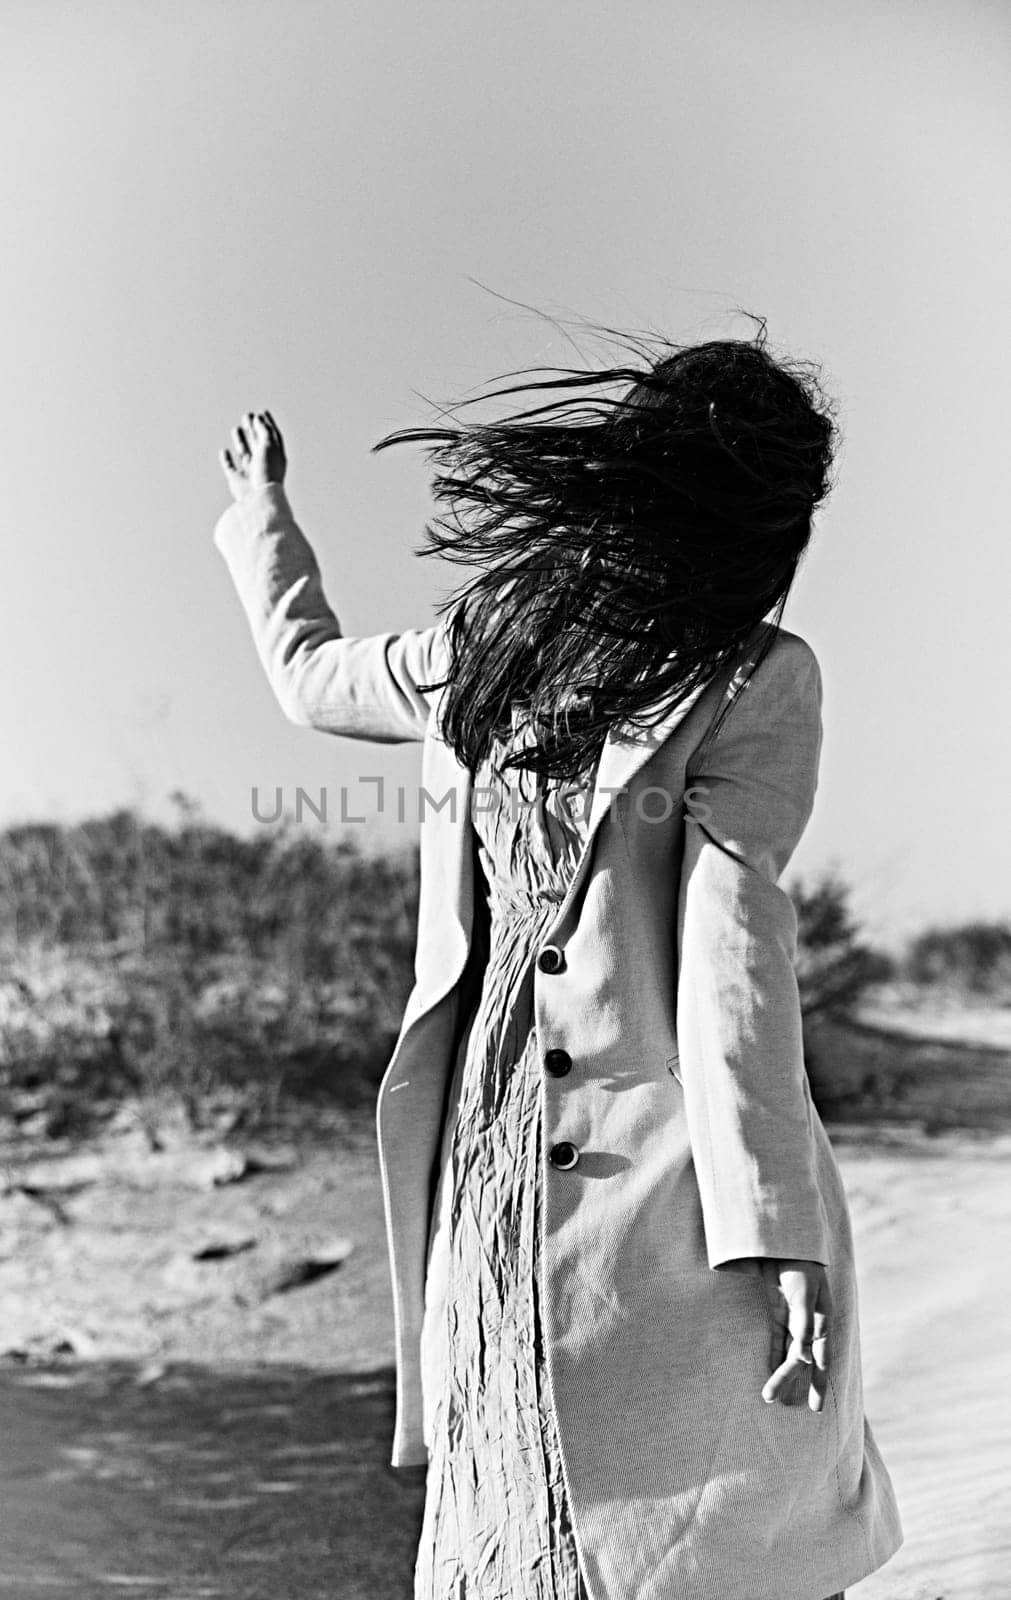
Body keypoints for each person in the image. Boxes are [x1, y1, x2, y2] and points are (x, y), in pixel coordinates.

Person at [213, 322, 903, 1600]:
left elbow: (730, 953)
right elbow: (732, 960)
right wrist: (264, 522)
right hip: (566, 1146)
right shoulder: (533, 641)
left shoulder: (686, 670)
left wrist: (774, 1232)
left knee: (615, 1506)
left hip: (590, 1154)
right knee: (632, 1512)